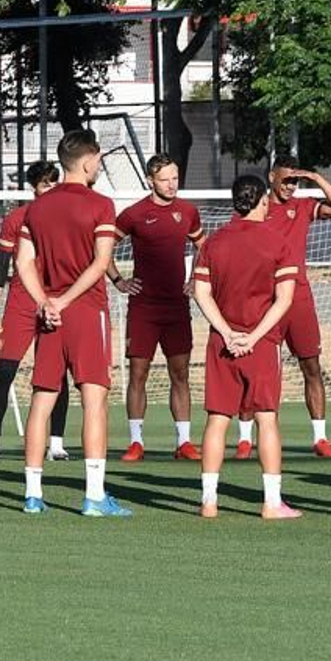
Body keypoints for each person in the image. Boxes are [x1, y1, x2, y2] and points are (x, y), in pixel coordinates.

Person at [14, 129, 127, 516]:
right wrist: (61, 300)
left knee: (42, 401)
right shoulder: (101, 204)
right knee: (94, 401)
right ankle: (95, 496)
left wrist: (45, 301)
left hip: (49, 316)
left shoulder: (38, 207)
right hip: (84, 310)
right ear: (88, 160)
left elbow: (22, 262)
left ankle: (32, 495)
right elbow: (100, 263)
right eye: (98, 159)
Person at [192, 175, 300, 520]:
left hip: (221, 343)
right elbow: (284, 300)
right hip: (262, 343)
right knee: (267, 419)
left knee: (217, 420)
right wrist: (252, 338)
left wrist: (225, 332)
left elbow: (200, 292)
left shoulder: (213, 243)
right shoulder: (277, 241)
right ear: (263, 201)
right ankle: (271, 502)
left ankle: (208, 501)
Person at [235, 155, 331, 459]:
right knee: (255, 369)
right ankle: (245, 438)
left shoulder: (302, 207)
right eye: (287, 179)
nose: (292, 186)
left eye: (296, 181)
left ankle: (320, 438)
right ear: (272, 176)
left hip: (298, 298)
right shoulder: (255, 208)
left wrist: (316, 177)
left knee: (311, 366)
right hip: (263, 300)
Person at [111, 155, 206, 461]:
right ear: (150, 180)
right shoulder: (134, 214)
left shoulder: (188, 211)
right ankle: (136, 442)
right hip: (143, 308)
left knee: (180, 374)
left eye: (175, 178)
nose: (171, 184)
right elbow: (102, 248)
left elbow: (204, 247)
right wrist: (118, 281)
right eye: (165, 179)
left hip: (177, 308)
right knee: (138, 374)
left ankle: (184, 442)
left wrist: (195, 280)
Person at [0, 160, 69, 462]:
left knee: (57, 373)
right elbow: (1, 267)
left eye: (54, 182)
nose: (50, 189)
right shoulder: (16, 218)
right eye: (45, 183)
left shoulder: (68, 215)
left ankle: (56, 442)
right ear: (34, 187)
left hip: (55, 298)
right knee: (5, 371)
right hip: (20, 301)